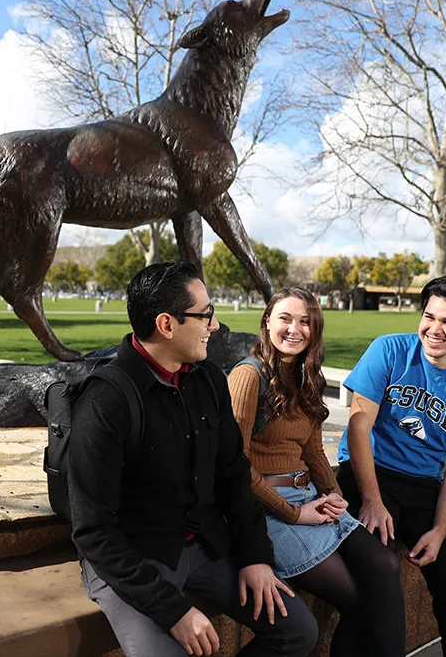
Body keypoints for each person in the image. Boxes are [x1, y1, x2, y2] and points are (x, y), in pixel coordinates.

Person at [67, 261, 318, 657]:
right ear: (166, 324)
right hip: (133, 559)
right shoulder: (105, 401)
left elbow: (233, 474)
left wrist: (255, 557)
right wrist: (173, 611)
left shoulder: (207, 379)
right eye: (206, 315)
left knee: (298, 631)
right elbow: (93, 531)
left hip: (204, 545)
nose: (214, 326)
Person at [228, 288, 406, 657]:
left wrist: (333, 493)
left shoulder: (308, 376)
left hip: (311, 498)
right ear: (266, 323)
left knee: (386, 565)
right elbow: (234, 465)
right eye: (285, 319)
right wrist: (294, 513)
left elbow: (311, 449)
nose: (295, 329)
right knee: (356, 599)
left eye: (305, 321)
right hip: (265, 509)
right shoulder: (248, 376)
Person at [336, 274, 446, 657]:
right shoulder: (388, 351)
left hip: (425, 486)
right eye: (429, 316)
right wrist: (372, 501)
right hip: (367, 473)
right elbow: (359, 427)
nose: (434, 329)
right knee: (372, 581)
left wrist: (440, 530)